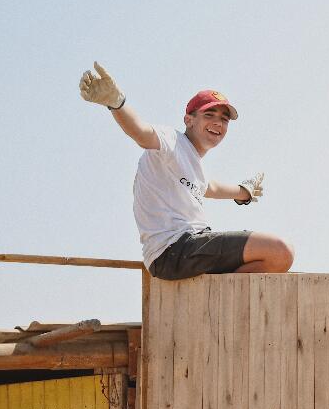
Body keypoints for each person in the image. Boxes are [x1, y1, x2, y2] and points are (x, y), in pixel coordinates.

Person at [78, 62, 294, 280]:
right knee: (279, 250)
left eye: (224, 119)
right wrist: (117, 103)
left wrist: (244, 192)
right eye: (209, 115)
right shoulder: (172, 142)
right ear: (188, 120)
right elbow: (141, 133)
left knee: (276, 260)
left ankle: (218, 293)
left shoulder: (194, 164)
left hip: (187, 249)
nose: (218, 123)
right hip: (173, 249)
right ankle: (220, 292)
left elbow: (211, 187)